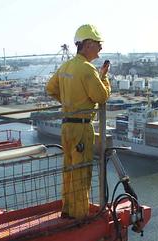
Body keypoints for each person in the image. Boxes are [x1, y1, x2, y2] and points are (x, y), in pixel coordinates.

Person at [46, 24, 111, 220]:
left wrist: (69, 104)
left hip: (66, 125)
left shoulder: (66, 66)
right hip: (82, 127)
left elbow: (51, 88)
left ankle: (67, 210)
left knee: (69, 169)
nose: (100, 49)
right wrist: (104, 78)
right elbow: (101, 96)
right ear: (88, 44)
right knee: (82, 172)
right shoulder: (87, 69)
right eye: (98, 45)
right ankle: (80, 216)